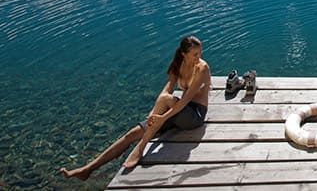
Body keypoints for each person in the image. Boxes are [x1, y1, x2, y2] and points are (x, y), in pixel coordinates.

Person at [59, 35, 211, 180]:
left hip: (194, 115)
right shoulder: (178, 64)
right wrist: (154, 112)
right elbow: (167, 89)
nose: (198, 58)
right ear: (184, 54)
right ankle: (87, 169)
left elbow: (184, 101)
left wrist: (162, 118)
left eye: (199, 53)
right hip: (176, 111)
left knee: (165, 101)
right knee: (131, 133)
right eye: (194, 54)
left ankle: (140, 147)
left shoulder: (202, 68)